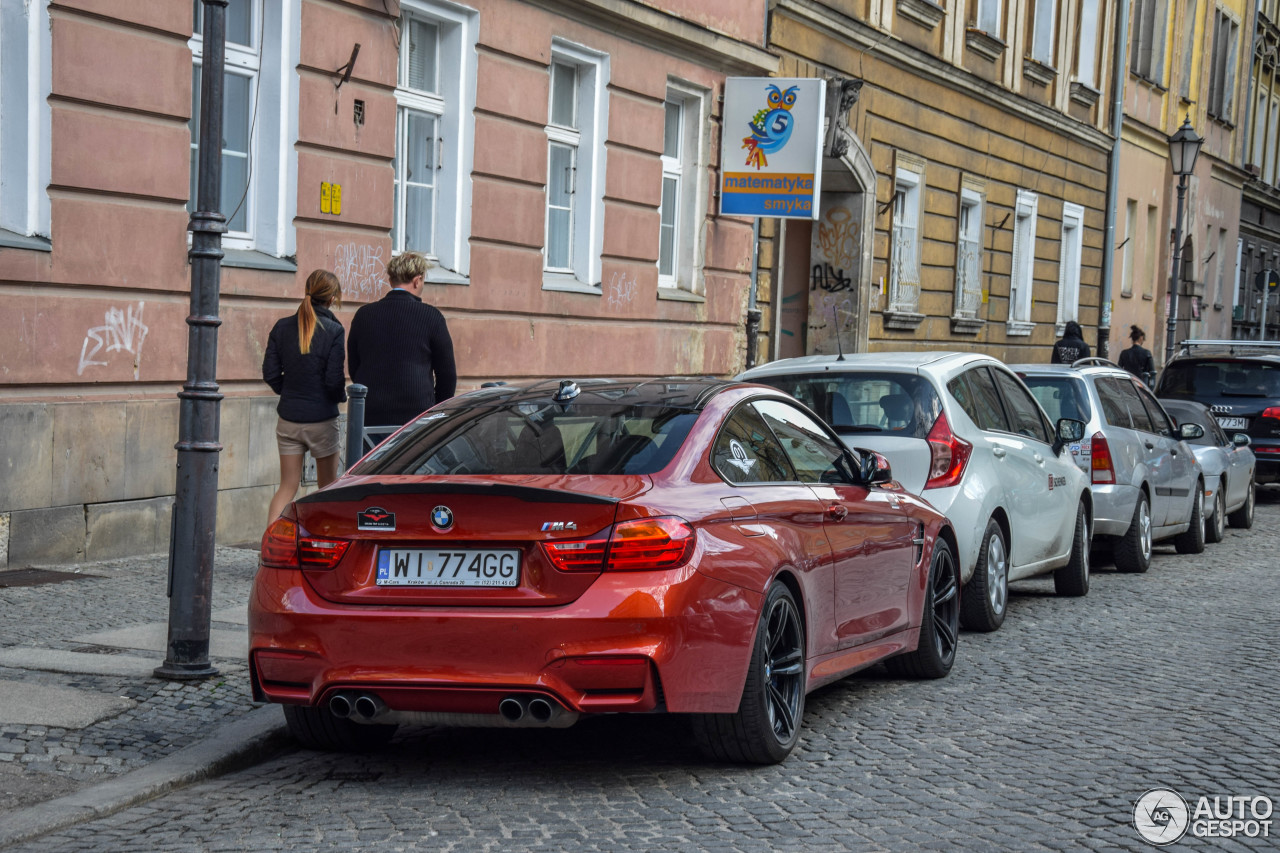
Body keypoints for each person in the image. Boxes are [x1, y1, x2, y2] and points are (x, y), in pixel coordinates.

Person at [263, 269, 347, 523]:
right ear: (332, 299)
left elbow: (270, 373)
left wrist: (287, 391)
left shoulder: (282, 326)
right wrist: (338, 397)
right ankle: (326, 549)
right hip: (322, 420)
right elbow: (334, 380)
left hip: (288, 419)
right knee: (327, 489)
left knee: (287, 487)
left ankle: (268, 548)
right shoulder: (334, 330)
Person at [347, 251, 457, 428]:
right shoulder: (431, 317)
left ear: (391, 281)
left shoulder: (364, 315)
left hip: (371, 413)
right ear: (417, 280)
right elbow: (447, 375)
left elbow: (354, 366)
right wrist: (436, 412)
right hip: (417, 416)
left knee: (374, 456)